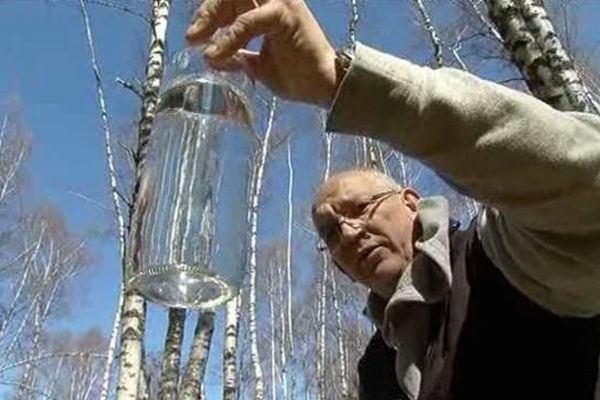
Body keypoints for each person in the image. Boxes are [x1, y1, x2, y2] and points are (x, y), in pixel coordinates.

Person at [186, 1, 600, 399]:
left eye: (360, 208)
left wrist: (339, 82)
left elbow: (584, 183)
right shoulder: (377, 369)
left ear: (412, 201)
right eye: (330, 234)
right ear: (341, 271)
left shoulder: (499, 259)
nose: (347, 233)